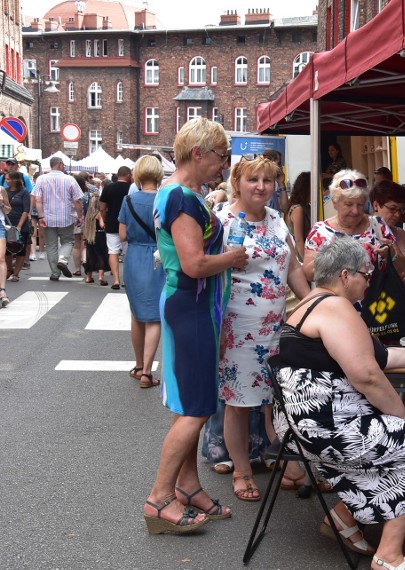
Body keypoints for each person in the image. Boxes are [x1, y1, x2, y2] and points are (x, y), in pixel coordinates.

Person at [272, 236, 405, 570]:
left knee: (399, 443)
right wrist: (403, 420)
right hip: (325, 429)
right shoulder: (336, 307)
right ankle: (388, 555)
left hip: (300, 426)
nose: (370, 281)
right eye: (365, 275)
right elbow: (367, 375)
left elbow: (380, 356)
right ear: (345, 275)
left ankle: (341, 520)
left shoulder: (312, 304)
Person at [143, 117, 248, 535]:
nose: (224, 166)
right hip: (191, 305)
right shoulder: (183, 198)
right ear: (198, 153)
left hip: (190, 305)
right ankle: (159, 498)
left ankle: (186, 487)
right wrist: (234, 258)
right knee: (196, 407)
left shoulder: (176, 193)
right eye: (221, 156)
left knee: (189, 403)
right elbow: (194, 263)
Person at [213, 155, 311, 501]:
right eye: (253, 179)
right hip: (237, 328)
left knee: (277, 399)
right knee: (239, 403)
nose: (261, 187)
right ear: (237, 181)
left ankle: (281, 460)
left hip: (275, 327)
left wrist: (314, 305)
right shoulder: (221, 220)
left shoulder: (276, 220)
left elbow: (294, 268)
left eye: (267, 181)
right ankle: (240, 470)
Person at [303, 169, 405, 283]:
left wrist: (391, 253)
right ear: (334, 202)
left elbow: (402, 267)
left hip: (377, 300)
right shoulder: (321, 231)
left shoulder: (377, 225)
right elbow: (309, 273)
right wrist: (336, 255)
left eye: (360, 204)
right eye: (349, 204)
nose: (355, 211)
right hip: (338, 300)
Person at [118, 156, 166, 388]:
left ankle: (138, 365)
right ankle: (147, 370)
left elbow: (123, 236)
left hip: (134, 258)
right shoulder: (163, 200)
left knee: (137, 313)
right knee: (155, 315)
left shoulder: (128, 200)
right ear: (158, 175)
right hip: (159, 257)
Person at [31, 157, 84, 281]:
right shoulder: (69, 179)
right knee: (68, 241)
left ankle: (55, 273)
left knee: (51, 245)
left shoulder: (41, 178)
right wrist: (79, 215)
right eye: (63, 164)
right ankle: (63, 259)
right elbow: (77, 200)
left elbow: (37, 199)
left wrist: (41, 216)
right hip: (66, 217)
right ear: (60, 165)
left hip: (47, 217)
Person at [370, 180, 405, 288]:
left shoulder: (401, 234)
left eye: (400, 210)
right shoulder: (364, 234)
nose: (397, 215)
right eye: (392, 209)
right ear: (376, 205)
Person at [99, 166, 133, 289]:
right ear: (128, 175)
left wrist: (104, 218)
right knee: (127, 252)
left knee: (112, 251)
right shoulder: (132, 188)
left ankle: (116, 280)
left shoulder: (109, 187)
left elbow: (102, 207)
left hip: (112, 223)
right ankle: (126, 280)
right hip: (128, 224)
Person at [81, 176, 109, 286]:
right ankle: (101, 276)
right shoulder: (99, 214)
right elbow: (102, 225)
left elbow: (85, 227)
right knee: (101, 256)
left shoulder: (89, 215)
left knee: (90, 256)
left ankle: (88, 277)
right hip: (100, 236)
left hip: (90, 237)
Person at [3, 172, 30, 283]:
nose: (6, 181)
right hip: (6, 224)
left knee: (20, 250)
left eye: (8, 179)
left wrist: (19, 225)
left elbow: (26, 210)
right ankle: (9, 269)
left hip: (20, 225)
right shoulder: (5, 191)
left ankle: (16, 274)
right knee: (6, 250)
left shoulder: (24, 192)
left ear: (15, 180)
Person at [286, 171, 311, 260]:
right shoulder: (298, 209)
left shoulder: (307, 206)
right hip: (300, 256)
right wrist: (306, 261)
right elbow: (299, 240)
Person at [0, 185, 10, 307]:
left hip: (0, 225)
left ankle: (2, 291)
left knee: (1, 258)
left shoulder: (1, 189)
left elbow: (8, 210)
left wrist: (2, 204)